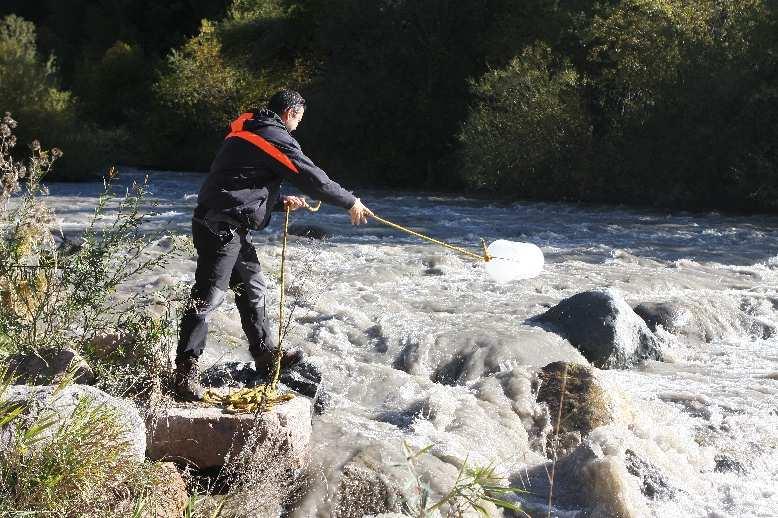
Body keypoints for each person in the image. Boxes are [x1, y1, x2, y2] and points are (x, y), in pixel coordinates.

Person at [174, 89, 373, 401]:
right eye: (298, 121)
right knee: (208, 297)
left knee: (253, 289)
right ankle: (185, 373)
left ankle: (266, 356)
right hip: (221, 226)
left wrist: (278, 202)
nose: (297, 127)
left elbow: (240, 185)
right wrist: (350, 202)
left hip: (226, 224)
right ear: (290, 114)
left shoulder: (250, 131)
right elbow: (312, 178)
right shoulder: (272, 136)